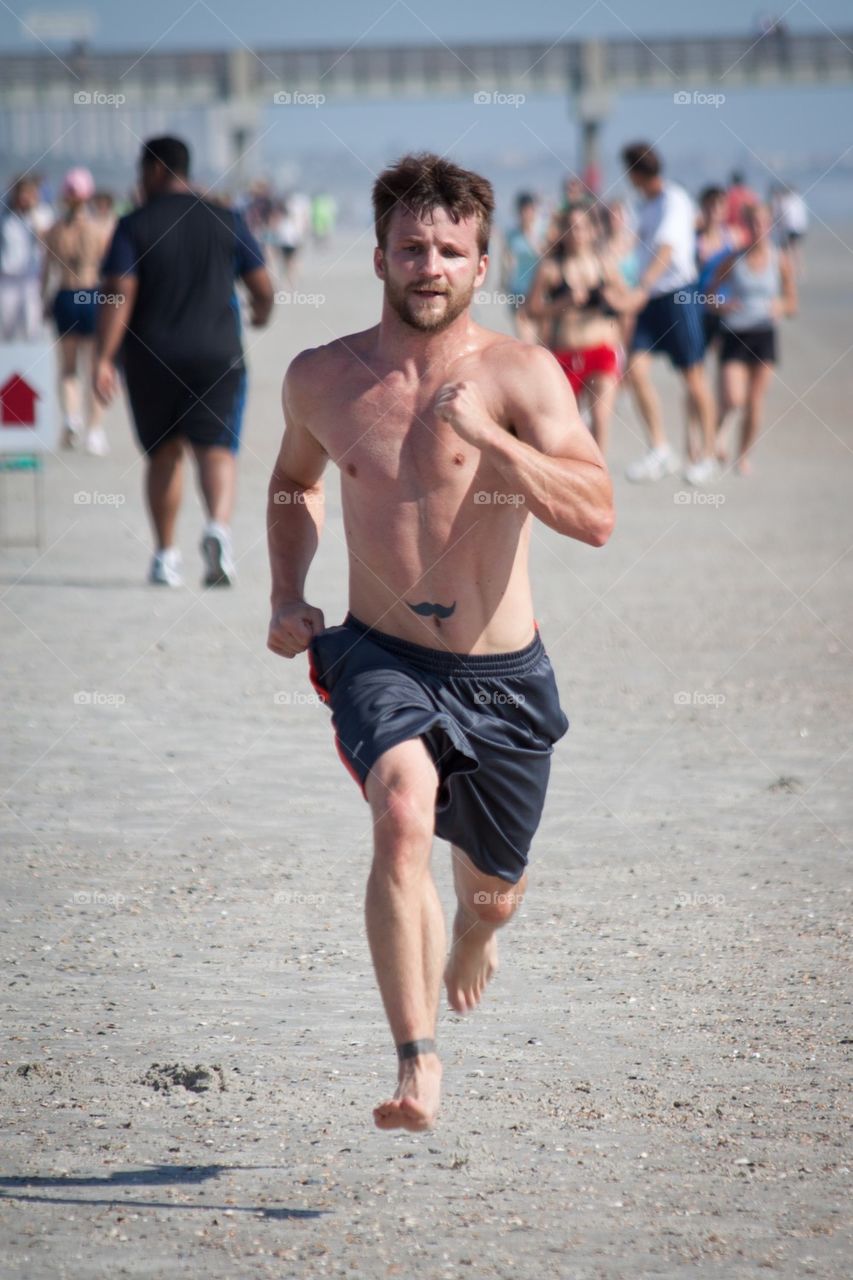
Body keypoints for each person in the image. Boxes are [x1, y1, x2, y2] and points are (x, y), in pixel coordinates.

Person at [266, 151, 614, 1132]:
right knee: (401, 810)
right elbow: (294, 484)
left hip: (504, 674)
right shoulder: (323, 377)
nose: (429, 264)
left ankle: (475, 929)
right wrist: (287, 590)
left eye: (449, 250)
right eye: (411, 247)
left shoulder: (520, 374)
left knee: (493, 892)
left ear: (479, 262)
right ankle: (417, 1060)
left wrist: (500, 443)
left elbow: (595, 513)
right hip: (380, 654)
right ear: (378, 254)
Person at [95, 136, 274, 586]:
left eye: (141, 171)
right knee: (216, 448)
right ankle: (218, 529)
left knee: (164, 453)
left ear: (156, 170)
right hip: (218, 356)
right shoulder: (226, 218)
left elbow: (120, 292)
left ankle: (165, 556)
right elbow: (263, 285)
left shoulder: (133, 224)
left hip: (151, 357)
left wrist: (103, 357)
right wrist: (261, 313)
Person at [619, 142, 718, 486]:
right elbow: (633, 248)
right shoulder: (644, 206)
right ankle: (660, 449)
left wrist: (641, 288)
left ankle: (706, 454)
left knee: (693, 378)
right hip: (652, 300)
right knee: (635, 368)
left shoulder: (674, 200)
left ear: (637, 172)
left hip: (678, 295)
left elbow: (666, 250)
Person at [527, 204, 629, 456]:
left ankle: (599, 479)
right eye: (571, 227)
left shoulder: (605, 264)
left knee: (600, 420)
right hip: (565, 353)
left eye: (582, 227)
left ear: (593, 230)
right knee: (565, 427)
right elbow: (531, 309)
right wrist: (563, 304)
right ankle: (575, 475)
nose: (577, 233)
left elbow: (628, 300)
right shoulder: (550, 268)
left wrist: (611, 300)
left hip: (601, 351)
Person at [710, 202, 797, 475]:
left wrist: (781, 307)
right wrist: (722, 305)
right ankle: (718, 435)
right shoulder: (734, 259)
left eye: (764, 223)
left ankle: (743, 455)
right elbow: (709, 294)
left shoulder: (779, 259)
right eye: (754, 223)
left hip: (764, 334)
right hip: (735, 333)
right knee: (733, 398)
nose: (759, 229)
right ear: (746, 226)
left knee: (755, 402)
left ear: (770, 226)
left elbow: (793, 303)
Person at [41, 168, 114, 454]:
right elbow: (110, 272)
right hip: (91, 296)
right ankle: (94, 431)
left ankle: (72, 418)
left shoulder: (54, 230)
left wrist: (43, 302)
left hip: (65, 296)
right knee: (97, 367)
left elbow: (46, 273)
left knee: (69, 368)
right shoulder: (100, 228)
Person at [0, 176, 46, 342]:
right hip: (7, 279)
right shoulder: (5, 218)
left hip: (30, 279)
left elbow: (44, 240)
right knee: (6, 326)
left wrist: (33, 211)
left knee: (31, 327)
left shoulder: (41, 214)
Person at [501, 192, 542, 344]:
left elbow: (546, 256)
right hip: (519, 289)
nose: (525, 214)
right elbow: (507, 262)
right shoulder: (511, 235)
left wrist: (532, 237)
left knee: (541, 335)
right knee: (524, 335)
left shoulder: (542, 231)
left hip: (540, 289)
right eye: (522, 210)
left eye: (529, 210)